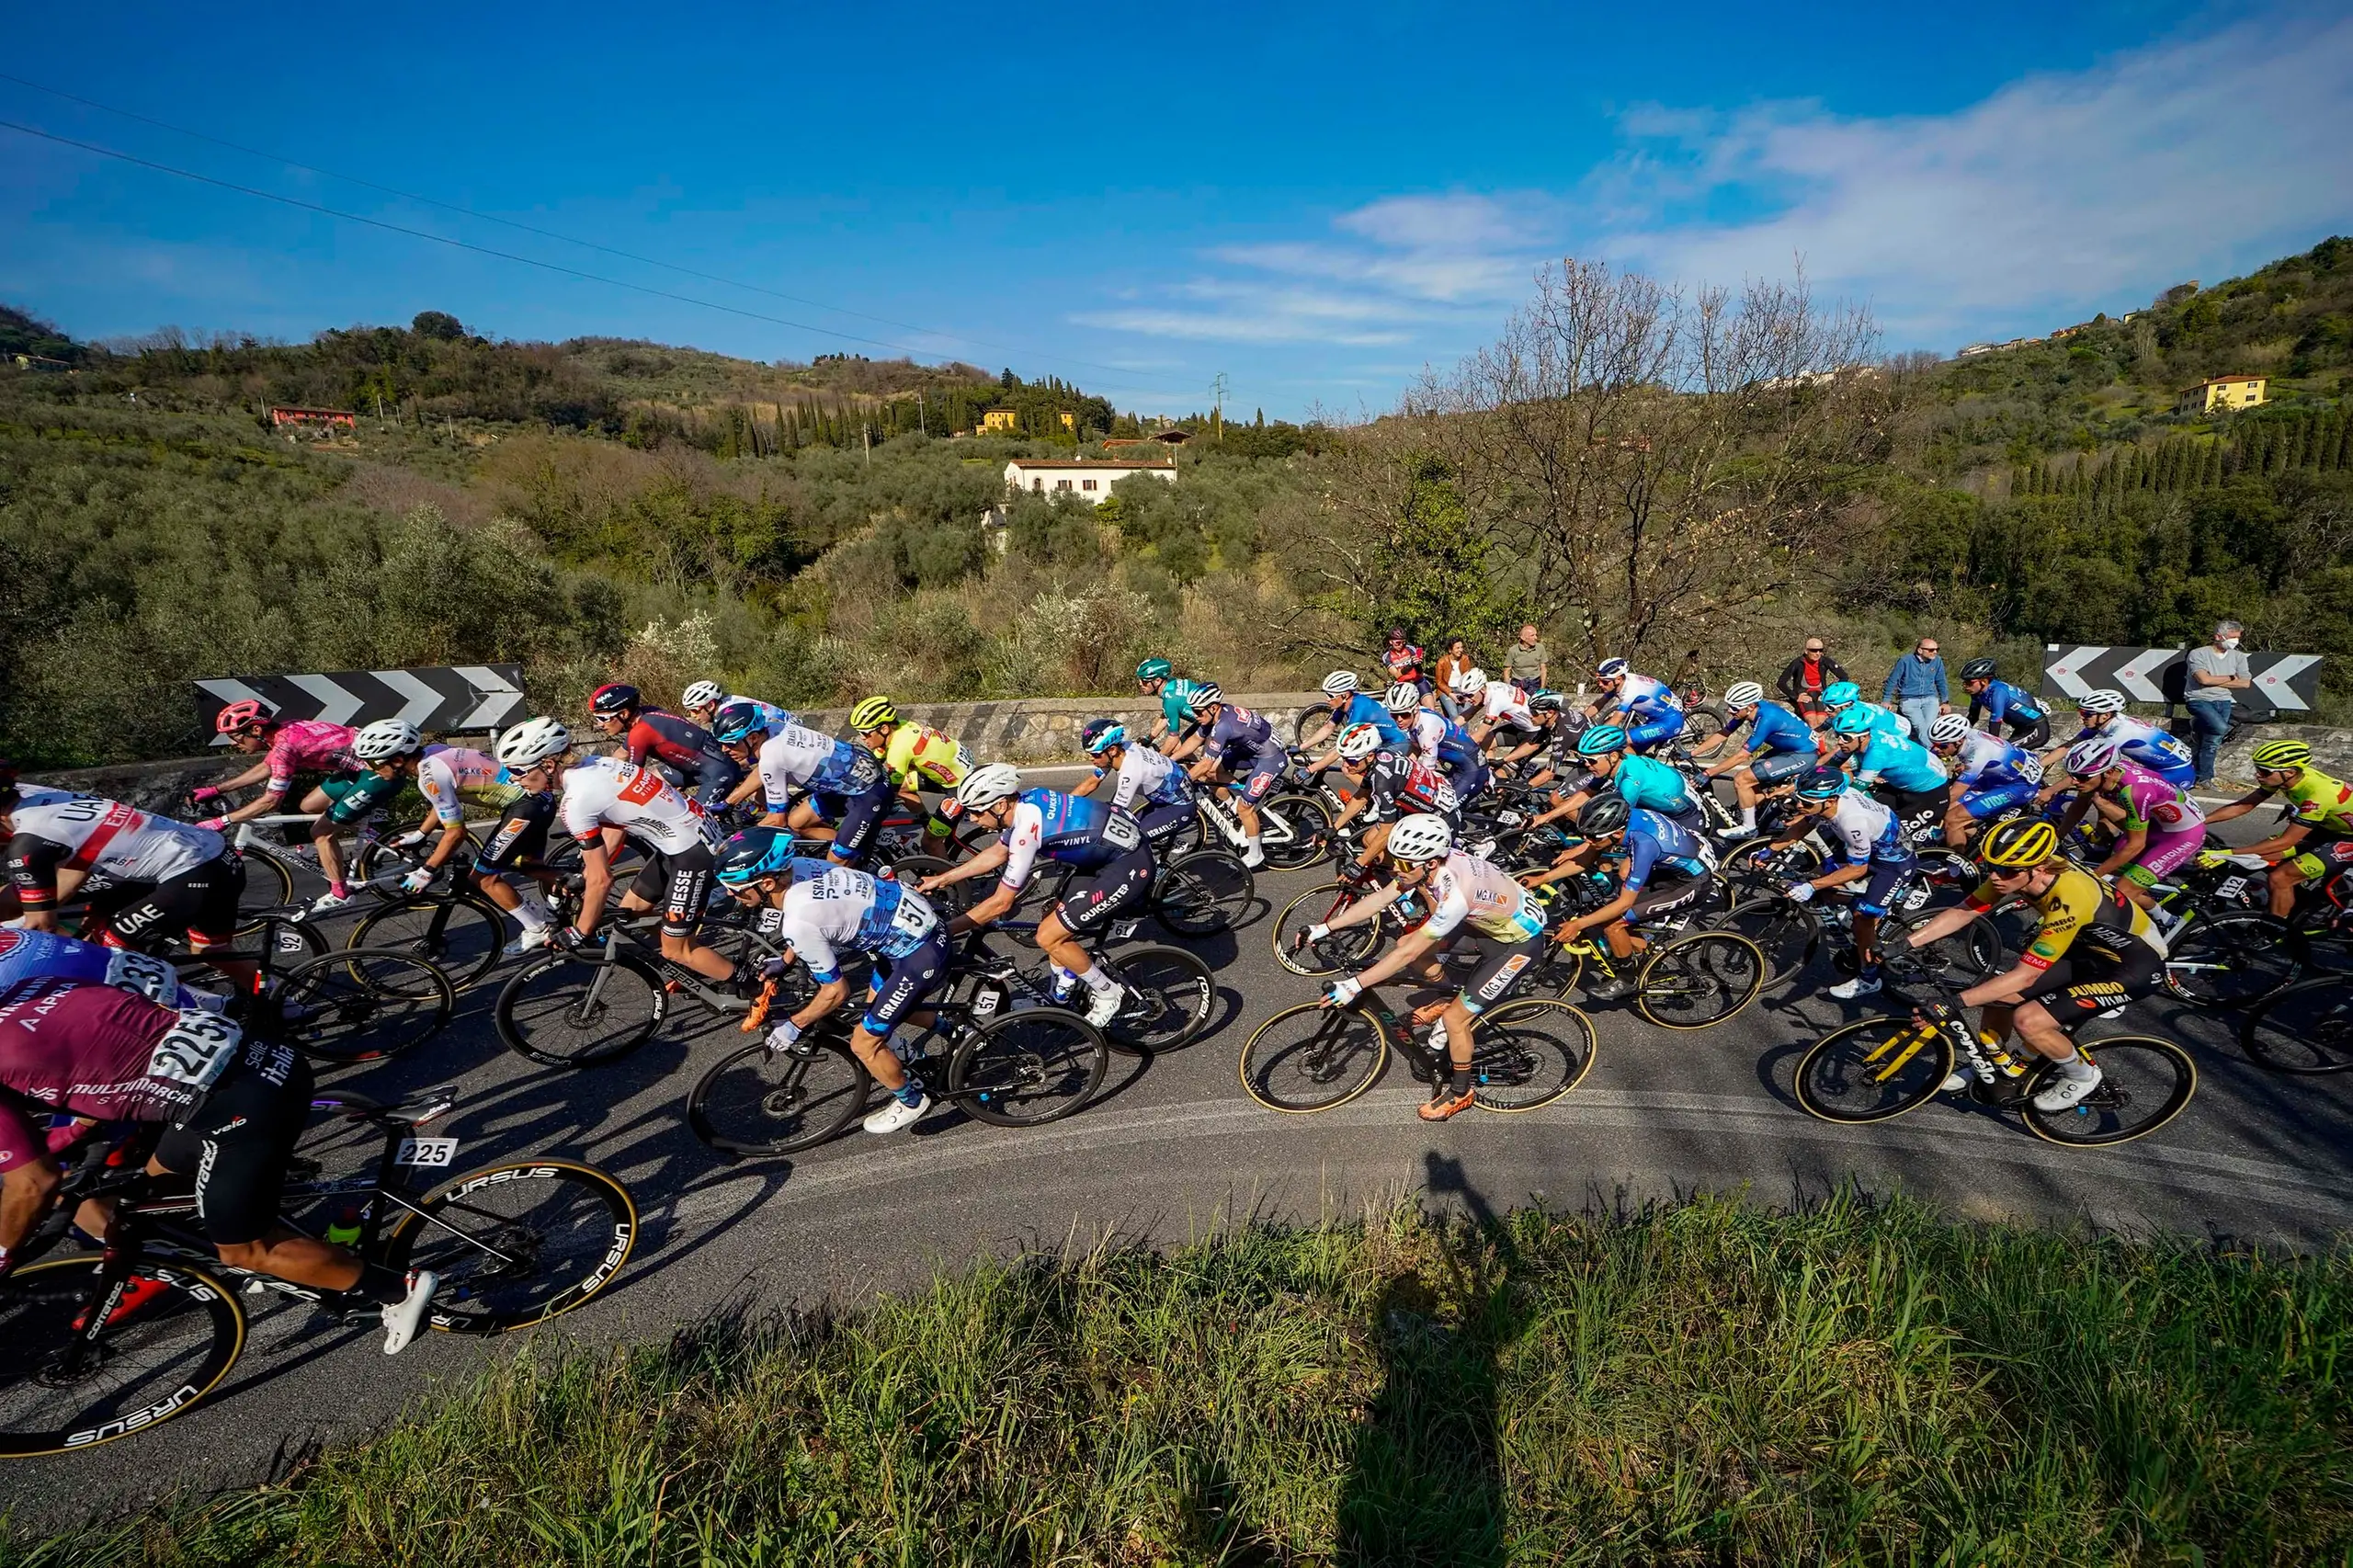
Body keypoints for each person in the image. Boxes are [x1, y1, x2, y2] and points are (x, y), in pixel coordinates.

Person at [0, 975, 439, 1352]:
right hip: (258, 1057)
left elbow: (33, 1184)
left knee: (244, 1250)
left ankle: (396, 1289)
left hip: (234, 1104)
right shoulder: (29, 989)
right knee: (157, 1185)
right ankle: (277, 1242)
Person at [1896, 817, 2167, 1112]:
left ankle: (2082, 1075)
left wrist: (1952, 1003)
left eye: (2006, 871)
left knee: (2030, 1021)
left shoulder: (2070, 897)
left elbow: (2025, 977)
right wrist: (1903, 944)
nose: (1996, 877)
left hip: (2133, 967)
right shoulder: (2018, 871)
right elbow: (1964, 912)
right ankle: (1994, 1066)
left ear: (2038, 867)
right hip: (2087, 952)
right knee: (1996, 995)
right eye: (1993, 867)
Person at [1302, 812, 1543, 1122]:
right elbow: (1381, 899)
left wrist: (1354, 985)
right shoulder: (1433, 864)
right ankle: (1451, 996)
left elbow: (1408, 954)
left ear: (1429, 863)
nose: (1395, 869)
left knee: (1457, 1019)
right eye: (1394, 860)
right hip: (1490, 926)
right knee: (1406, 945)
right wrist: (1324, 928)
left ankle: (1460, 1093)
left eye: (1402, 864)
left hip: (1517, 945)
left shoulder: (1455, 892)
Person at [715, 826, 947, 1136]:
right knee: (874, 1015)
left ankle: (912, 1100)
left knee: (863, 1042)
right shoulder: (800, 867)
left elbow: (835, 991)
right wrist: (784, 962)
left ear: (768, 882)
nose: (732, 894)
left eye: (737, 888)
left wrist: (795, 1024)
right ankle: (954, 1033)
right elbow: (818, 923)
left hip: (916, 954)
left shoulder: (798, 919)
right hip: (909, 930)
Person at [918, 766, 1154, 1028]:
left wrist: (946, 930)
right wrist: (943, 878)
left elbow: (1001, 902)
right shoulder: (1028, 799)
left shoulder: (1026, 830)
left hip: (1127, 864)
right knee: (1054, 917)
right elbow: (995, 854)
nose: (972, 819)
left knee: (1047, 935)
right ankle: (1060, 997)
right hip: (1103, 856)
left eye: (976, 811)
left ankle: (1109, 992)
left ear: (999, 805)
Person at [534, 721, 740, 988]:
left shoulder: (575, 802)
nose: (515, 778)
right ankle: (704, 962)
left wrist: (580, 931)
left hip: (691, 851)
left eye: (519, 771)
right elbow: (615, 830)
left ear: (549, 765)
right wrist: (585, 875)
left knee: (675, 950)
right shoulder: (596, 764)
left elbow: (602, 881)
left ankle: (755, 987)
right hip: (682, 840)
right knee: (632, 912)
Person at [0, 785, 248, 988]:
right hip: (216, 854)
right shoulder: (36, 795)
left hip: (189, 870)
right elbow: (72, 879)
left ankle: (197, 1006)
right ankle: (279, 1000)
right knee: (211, 952)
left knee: (113, 955)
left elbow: (41, 926)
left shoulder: (29, 843)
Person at [192, 700, 376, 915]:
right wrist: (216, 789)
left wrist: (224, 820)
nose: (234, 743)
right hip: (358, 768)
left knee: (320, 833)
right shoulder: (285, 731)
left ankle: (340, 894)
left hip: (375, 773)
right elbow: (265, 767)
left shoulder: (284, 746)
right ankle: (367, 833)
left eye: (236, 737)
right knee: (309, 805)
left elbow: (272, 801)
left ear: (256, 729)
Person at [1539, 795, 1715, 1002]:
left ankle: (1627, 979)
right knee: (1611, 913)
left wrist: (1578, 924)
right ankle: (1645, 957)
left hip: (1691, 883)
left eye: (1594, 837)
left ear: (1618, 833)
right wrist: (1542, 878)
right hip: (1674, 867)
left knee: (1613, 924)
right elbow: (1587, 857)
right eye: (1586, 835)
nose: (1588, 841)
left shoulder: (1644, 844)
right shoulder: (1626, 820)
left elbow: (1624, 903)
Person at [1773, 766, 1914, 999]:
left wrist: (1812, 887)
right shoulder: (1828, 799)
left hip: (1893, 864)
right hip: (1870, 846)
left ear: (1830, 801)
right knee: (1818, 876)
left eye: (1806, 803)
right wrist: (1770, 851)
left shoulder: (1852, 821)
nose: (1800, 806)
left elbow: (1857, 869)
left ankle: (1869, 979)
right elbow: (1806, 822)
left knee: (1862, 921)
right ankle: (1849, 908)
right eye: (1799, 799)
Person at [355, 719, 526, 898]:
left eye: (373, 763)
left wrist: (426, 871)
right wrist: (420, 835)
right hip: (527, 801)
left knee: (483, 878)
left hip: (524, 805)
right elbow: (443, 803)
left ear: (397, 760)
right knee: (531, 867)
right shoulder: (434, 751)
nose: (371, 769)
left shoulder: (430, 778)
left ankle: (539, 925)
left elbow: (456, 833)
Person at [713, 701, 896, 869]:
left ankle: (851, 858)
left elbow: (777, 820)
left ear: (752, 737)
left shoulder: (772, 756)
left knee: (834, 863)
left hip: (869, 793)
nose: (725, 749)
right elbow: (762, 770)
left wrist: (736, 842)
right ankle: (848, 846)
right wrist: (729, 803)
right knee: (797, 822)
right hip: (848, 783)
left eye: (731, 743)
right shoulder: (773, 728)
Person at [2056, 736, 2206, 920]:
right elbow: (2079, 806)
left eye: (2081, 777)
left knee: (2123, 890)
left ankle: (2168, 921)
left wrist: (2094, 876)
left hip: (2181, 835)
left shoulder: (2134, 791)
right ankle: (2146, 902)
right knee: (2111, 877)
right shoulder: (2106, 774)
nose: (2074, 781)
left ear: (2108, 772)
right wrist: (2058, 837)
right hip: (2155, 824)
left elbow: (2135, 845)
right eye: (2072, 775)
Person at [2202, 739, 2353, 918]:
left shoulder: (2319, 795)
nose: (2258, 775)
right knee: (2259, 857)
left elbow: (2286, 842)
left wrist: (2227, 853)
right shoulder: (2283, 778)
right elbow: (2244, 805)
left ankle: (2275, 931)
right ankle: (2290, 901)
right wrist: (2200, 822)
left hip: (2347, 838)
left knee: (2280, 878)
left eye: (2264, 771)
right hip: (2328, 828)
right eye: (2257, 769)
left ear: (2290, 772)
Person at [1168, 684, 1287, 869]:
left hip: (1270, 758)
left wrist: (1183, 782)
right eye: (1193, 711)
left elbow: (1205, 762)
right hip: (1252, 750)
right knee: (1211, 774)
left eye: (1198, 711)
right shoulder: (1216, 715)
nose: (1195, 715)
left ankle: (1256, 854)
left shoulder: (1224, 726)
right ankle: (1235, 808)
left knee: (1245, 808)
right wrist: (1170, 760)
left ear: (1213, 707)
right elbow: (1194, 741)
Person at [1695, 681, 1825, 838]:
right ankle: (1766, 813)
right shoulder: (1749, 710)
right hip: (1787, 750)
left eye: (1734, 708)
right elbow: (1724, 733)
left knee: (1742, 779)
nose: (1730, 711)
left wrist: (1708, 773)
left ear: (1750, 706)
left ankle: (1749, 828)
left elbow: (1742, 755)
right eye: (1730, 706)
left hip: (1802, 755)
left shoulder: (1767, 718)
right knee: (1753, 780)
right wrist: (1693, 753)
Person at [585, 683, 742, 812]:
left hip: (719, 772)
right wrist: (594, 774)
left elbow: (631, 777)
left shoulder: (640, 732)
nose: (600, 725)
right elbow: (622, 754)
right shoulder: (646, 713)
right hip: (697, 765)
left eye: (602, 718)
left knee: (697, 819)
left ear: (624, 714)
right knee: (656, 778)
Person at [1529, 724, 1700, 835]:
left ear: (1612, 756)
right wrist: (1546, 817)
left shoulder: (1630, 780)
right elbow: (1585, 794)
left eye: (1591, 760)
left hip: (1683, 816)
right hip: (1656, 799)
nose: (1586, 765)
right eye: (1584, 759)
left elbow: (1618, 825)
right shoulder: (1612, 766)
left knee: (1635, 866)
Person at [847, 697, 970, 845]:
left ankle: (942, 861)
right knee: (903, 788)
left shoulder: (899, 748)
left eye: (865, 733)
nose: (862, 738)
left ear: (884, 729)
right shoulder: (901, 727)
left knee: (929, 844)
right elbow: (874, 761)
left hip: (960, 786)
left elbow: (889, 791)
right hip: (952, 771)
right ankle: (927, 822)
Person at [1828, 706, 1949, 847]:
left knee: (1892, 836)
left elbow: (1856, 790)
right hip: (1904, 788)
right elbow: (1830, 767)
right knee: (1871, 804)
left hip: (1931, 795)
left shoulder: (1877, 753)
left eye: (1846, 737)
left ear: (1863, 737)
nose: (1839, 741)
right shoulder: (1863, 739)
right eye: (1838, 735)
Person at [1072, 718, 1196, 851]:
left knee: (1132, 839)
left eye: (1095, 755)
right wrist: (1065, 803)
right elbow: (1092, 782)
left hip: (1180, 806)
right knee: (1128, 830)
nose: (1091, 759)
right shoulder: (1121, 750)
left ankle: (1149, 871)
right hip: (1163, 798)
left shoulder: (1131, 772)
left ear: (1112, 750)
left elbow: (1115, 813)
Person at [1927, 712, 2043, 848]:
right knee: (1948, 810)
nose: (1935, 749)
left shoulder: (1979, 752)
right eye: (1934, 744)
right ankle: (1977, 843)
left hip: (2019, 786)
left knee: (1952, 819)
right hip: (2001, 776)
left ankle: (1958, 865)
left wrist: (1925, 811)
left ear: (1958, 741)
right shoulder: (1967, 735)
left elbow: (1955, 793)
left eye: (1942, 746)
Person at [2057, 689, 2195, 790]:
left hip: (2176, 772)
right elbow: (2070, 746)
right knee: (2101, 794)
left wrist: (2051, 790)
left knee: (2108, 798)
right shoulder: (2106, 722)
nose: (2082, 717)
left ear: (2105, 715)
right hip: (2157, 767)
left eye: (2086, 714)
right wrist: (2039, 765)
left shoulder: (2121, 732)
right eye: (2081, 712)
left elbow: (2089, 766)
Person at [2183, 621, 2252, 785]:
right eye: (2232, 637)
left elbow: (2245, 683)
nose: (2236, 641)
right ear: (2218, 637)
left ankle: (2204, 777)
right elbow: (2202, 679)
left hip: (2224, 700)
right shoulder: (2198, 654)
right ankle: (2197, 723)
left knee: (2212, 741)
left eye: (2238, 637)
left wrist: (2212, 680)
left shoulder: (2239, 657)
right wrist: (2230, 678)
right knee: (2221, 728)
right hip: (2199, 699)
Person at [1589, 658, 1686, 752]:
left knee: (1619, 741)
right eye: (1599, 680)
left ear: (1618, 679)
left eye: (1604, 682)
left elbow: (1615, 721)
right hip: (1656, 718)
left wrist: (1592, 738)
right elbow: (1600, 703)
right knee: (1632, 751)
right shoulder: (1621, 681)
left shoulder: (1630, 692)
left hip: (1669, 722)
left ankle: (1643, 768)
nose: (1600, 684)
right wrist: (1579, 720)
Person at [1457, 668, 1545, 768]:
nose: (1467, 699)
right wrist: (1447, 727)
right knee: (1484, 744)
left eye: (1469, 695)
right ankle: (1488, 775)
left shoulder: (1496, 702)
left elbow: (1479, 736)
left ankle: (1500, 778)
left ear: (1481, 689)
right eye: (1464, 696)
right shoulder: (1489, 687)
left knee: (1502, 772)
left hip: (1534, 734)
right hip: (1519, 727)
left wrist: (1454, 747)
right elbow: (1469, 713)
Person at [1959, 660, 2051, 749]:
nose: (1965, 685)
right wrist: (1959, 736)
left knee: (2002, 751)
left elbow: (1996, 721)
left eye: (1969, 682)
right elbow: (1972, 717)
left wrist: (1992, 748)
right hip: (2021, 728)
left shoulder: (1998, 692)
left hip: (2037, 728)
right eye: (1964, 682)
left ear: (1984, 681)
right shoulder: (1977, 693)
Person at [1881, 638, 1949, 744]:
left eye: (1937, 649)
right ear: (1920, 650)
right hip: (1909, 700)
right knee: (1922, 729)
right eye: (1931, 650)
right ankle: (1934, 754)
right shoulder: (1905, 661)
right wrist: (1886, 699)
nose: (1935, 652)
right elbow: (1892, 680)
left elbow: (1941, 681)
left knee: (1930, 729)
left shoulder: (1937, 661)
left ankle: (1921, 754)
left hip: (1930, 699)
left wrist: (1945, 702)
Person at [1134, 659, 1210, 754]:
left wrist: (1158, 760)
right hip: (1206, 721)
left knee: (1176, 751)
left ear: (1157, 681)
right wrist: (1150, 738)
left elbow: (1173, 738)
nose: (1140, 684)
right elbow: (1166, 715)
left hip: (1214, 724)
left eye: (1144, 681)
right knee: (1179, 751)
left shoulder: (1170, 700)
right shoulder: (1171, 683)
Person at [1777, 638, 1849, 718]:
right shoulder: (1797, 663)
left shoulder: (1825, 661)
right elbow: (1781, 683)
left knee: (1821, 719)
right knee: (1811, 719)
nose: (1818, 653)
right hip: (1804, 694)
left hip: (1820, 694)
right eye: (1814, 650)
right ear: (1806, 651)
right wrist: (1796, 697)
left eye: (1820, 650)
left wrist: (1829, 694)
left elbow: (1844, 677)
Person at [1820, 681, 1910, 741]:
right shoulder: (1851, 709)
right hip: (1897, 723)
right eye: (1825, 705)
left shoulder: (1858, 717)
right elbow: (1820, 730)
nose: (1826, 710)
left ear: (1847, 705)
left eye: (1830, 707)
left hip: (1897, 734)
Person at [1432, 637, 1472, 719]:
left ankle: (1464, 732)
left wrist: (1466, 694)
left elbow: (1468, 677)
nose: (1460, 650)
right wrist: (1450, 693)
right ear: (1450, 650)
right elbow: (1439, 682)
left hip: (1462, 689)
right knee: (1454, 714)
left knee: (1465, 714)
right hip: (1446, 690)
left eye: (1461, 647)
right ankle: (1454, 731)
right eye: (1457, 648)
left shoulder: (1465, 659)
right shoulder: (1442, 662)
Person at [1504, 624, 1549, 692]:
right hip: (1518, 683)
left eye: (1536, 635)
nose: (1536, 638)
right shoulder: (1513, 651)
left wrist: (1542, 688)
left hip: (1535, 682)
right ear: (1523, 638)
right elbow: (1507, 670)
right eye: (1532, 635)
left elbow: (1543, 669)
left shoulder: (1540, 648)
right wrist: (1509, 689)